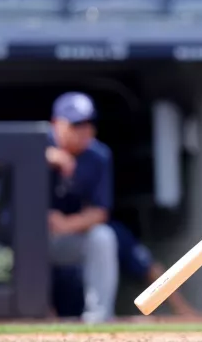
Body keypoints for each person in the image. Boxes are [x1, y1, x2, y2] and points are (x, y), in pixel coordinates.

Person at [46, 92, 119, 323]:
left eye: (88, 123)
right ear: (56, 123)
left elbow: (101, 211)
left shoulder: (98, 155)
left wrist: (68, 224)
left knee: (103, 237)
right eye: (76, 124)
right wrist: (43, 156)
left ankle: (98, 320)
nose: (84, 130)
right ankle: (33, 317)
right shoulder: (37, 143)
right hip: (22, 243)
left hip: (66, 238)